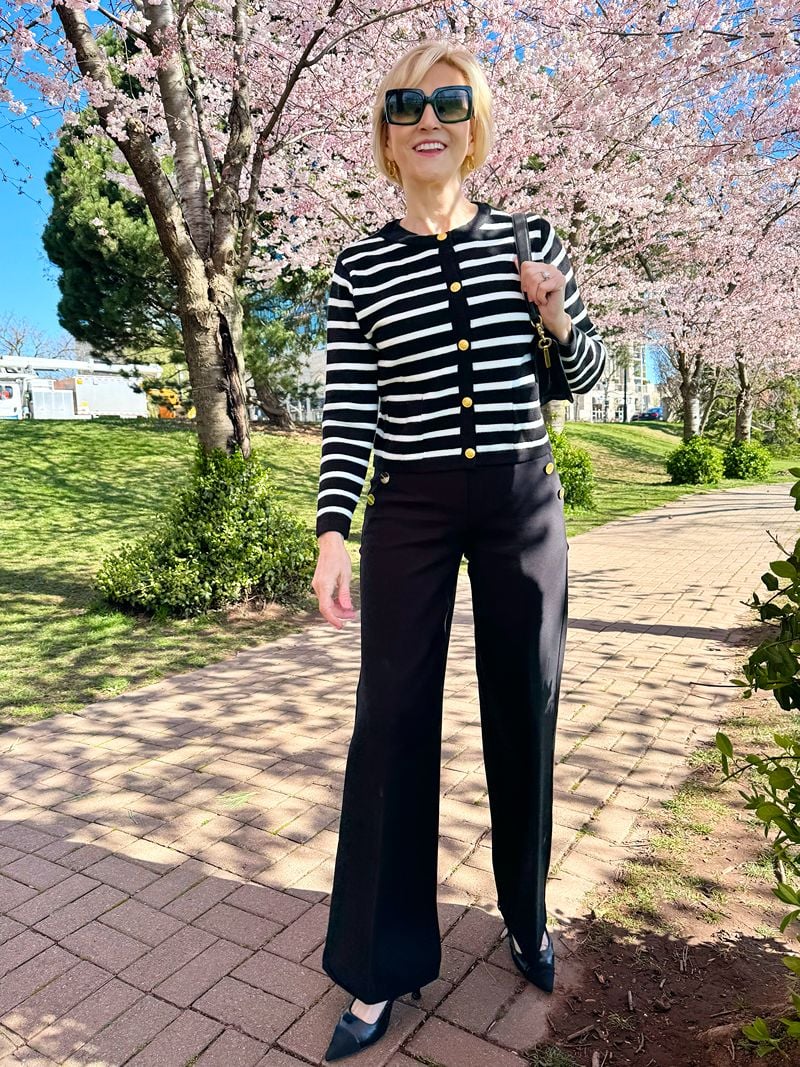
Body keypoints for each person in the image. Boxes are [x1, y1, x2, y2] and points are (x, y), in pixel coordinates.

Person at [311, 39, 606, 1062]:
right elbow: (351, 409)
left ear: (473, 127)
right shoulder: (358, 267)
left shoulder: (529, 237)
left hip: (522, 498)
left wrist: (552, 310)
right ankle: (377, 959)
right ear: (387, 136)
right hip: (412, 506)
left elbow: (582, 375)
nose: (427, 119)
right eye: (407, 105)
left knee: (525, 701)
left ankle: (525, 915)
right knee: (390, 717)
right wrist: (332, 531)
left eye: (448, 102)